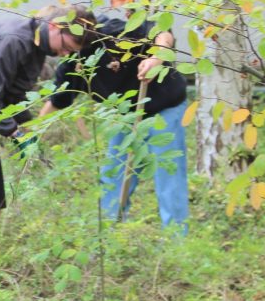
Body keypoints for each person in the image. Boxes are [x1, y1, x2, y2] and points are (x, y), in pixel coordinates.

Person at [0, 5, 95, 280]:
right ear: (54, 26)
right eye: (67, 46)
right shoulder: (16, 40)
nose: (66, 54)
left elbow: (14, 97)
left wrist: (28, 130)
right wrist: (14, 133)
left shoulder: (37, 48)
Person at [38, 12, 188, 231]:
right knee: (114, 174)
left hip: (165, 107)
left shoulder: (114, 32)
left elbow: (161, 31)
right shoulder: (72, 63)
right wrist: (32, 136)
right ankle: (109, 236)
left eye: (63, 45)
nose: (60, 53)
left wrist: (157, 58)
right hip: (125, 116)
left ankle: (176, 239)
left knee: (168, 174)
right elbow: (58, 102)